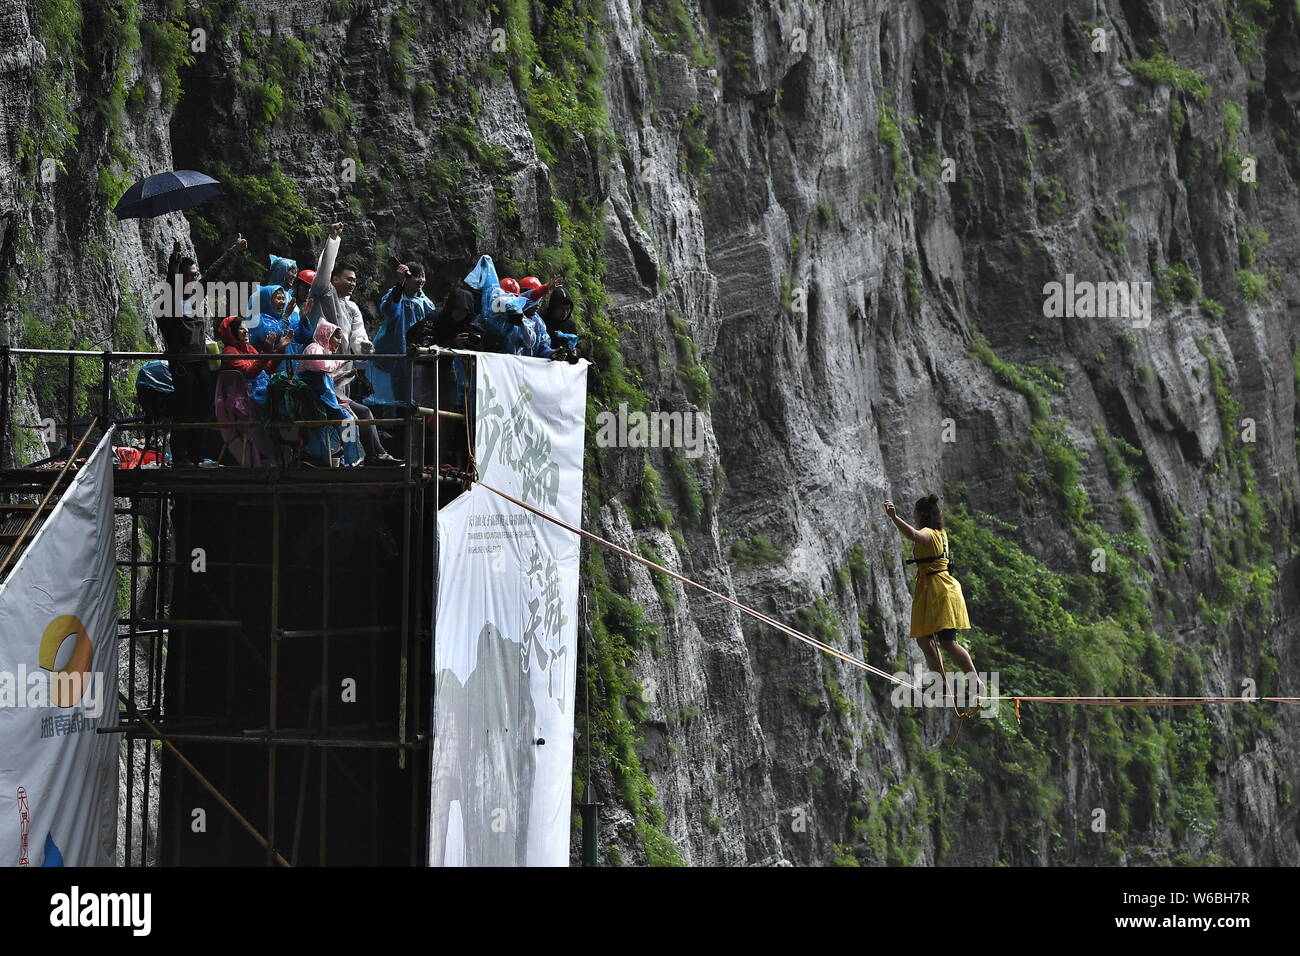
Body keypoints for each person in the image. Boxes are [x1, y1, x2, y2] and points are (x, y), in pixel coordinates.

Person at [884, 494, 980, 702]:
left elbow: (914, 535)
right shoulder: (940, 533)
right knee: (929, 640)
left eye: (915, 513)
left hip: (939, 592)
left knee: (946, 642)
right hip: (939, 589)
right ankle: (941, 683)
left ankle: (972, 682)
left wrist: (894, 517)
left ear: (921, 514)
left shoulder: (928, 533)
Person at [298, 319, 400, 465]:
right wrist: (340, 362)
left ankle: (377, 454)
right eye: (336, 337)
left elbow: (327, 381)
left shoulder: (323, 351)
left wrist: (344, 376)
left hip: (329, 398)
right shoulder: (314, 348)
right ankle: (354, 459)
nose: (339, 342)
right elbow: (318, 365)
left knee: (365, 412)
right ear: (326, 335)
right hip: (317, 400)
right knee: (348, 420)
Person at [214, 316, 282, 466]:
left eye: (245, 327)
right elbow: (249, 372)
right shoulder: (229, 352)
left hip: (256, 392)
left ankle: (282, 453)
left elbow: (268, 367)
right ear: (232, 332)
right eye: (240, 328)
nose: (246, 331)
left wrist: (280, 349)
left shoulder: (249, 348)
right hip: (241, 398)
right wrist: (266, 350)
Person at [370, 260, 436, 405]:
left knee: (415, 395)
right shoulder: (395, 294)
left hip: (415, 351)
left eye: (423, 276)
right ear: (407, 277)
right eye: (417, 276)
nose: (421, 280)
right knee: (388, 396)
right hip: (391, 348)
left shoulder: (426, 303)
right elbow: (388, 309)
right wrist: (399, 285)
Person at [330, 263, 372, 400]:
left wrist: (363, 346)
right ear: (335, 279)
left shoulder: (352, 307)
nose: (353, 283)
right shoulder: (324, 297)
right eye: (349, 279)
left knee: (344, 402)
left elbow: (358, 334)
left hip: (345, 365)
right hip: (323, 362)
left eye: (354, 280)